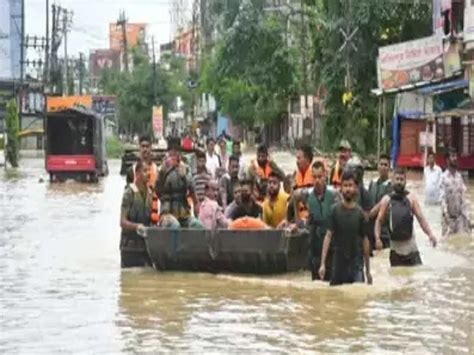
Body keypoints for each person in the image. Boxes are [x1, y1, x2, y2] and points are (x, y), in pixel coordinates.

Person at [375, 168, 437, 267]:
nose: (399, 182)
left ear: (405, 182)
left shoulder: (411, 198)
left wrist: (430, 234)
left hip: (411, 251)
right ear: (392, 181)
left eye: (401, 179)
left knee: (415, 280)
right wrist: (377, 238)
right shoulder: (386, 200)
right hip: (395, 253)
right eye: (397, 179)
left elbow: (421, 219)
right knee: (397, 280)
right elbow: (379, 220)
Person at [319, 170, 372, 286]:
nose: (348, 189)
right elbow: (328, 236)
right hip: (338, 266)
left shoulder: (360, 214)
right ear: (340, 188)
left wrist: (368, 271)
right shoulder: (334, 211)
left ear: (356, 188)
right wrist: (322, 264)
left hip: (356, 266)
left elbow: (365, 241)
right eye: (345, 186)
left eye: (350, 186)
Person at [294, 161, 339, 281]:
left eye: (320, 177)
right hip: (315, 237)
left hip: (330, 238)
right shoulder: (307, 194)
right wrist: (297, 220)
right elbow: (294, 197)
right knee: (315, 275)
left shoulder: (333, 193)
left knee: (331, 275)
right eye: (314, 177)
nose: (317, 180)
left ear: (325, 176)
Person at [156, 140, 202, 228]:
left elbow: (192, 190)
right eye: (171, 153)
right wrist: (162, 173)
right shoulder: (161, 169)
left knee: (197, 225)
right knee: (175, 225)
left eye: (176, 152)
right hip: (167, 213)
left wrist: (184, 176)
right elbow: (158, 191)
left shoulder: (186, 168)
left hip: (184, 213)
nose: (174, 155)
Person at [120, 161, 153, 267]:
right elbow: (122, 222)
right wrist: (137, 226)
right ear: (137, 174)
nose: (148, 173)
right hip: (129, 247)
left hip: (145, 247)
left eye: (149, 170)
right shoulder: (129, 193)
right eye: (145, 171)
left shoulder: (151, 193)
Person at [126, 135, 160, 225]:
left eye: (147, 146)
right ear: (139, 148)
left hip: (153, 216)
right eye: (143, 146)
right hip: (136, 217)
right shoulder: (131, 171)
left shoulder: (157, 170)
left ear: (151, 148)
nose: (145, 149)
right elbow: (127, 197)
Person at [439, 149, 471, 236]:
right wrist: (445, 214)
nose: (455, 158)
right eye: (453, 156)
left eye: (456, 156)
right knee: (447, 245)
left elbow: (463, 199)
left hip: (459, 219)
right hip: (448, 219)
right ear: (447, 160)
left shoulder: (459, 177)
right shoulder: (443, 178)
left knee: (461, 244)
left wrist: (467, 218)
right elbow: (442, 199)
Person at [367, 154, 392, 250]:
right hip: (371, 230)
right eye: (381, 164)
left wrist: (369, 214)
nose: (383, 167)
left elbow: (382, 204)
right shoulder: (372, 183)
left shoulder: (391, 186)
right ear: (377, 166)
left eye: (386, 165)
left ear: (389, 167)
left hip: (384, 231)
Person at [293, 145, 315, 221]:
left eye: (299, 158)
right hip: (298, 218)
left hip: (312, 218)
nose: (297, 161)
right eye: (296, 158)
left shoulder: (316, 176)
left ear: (308, 160)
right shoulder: (295, 175)